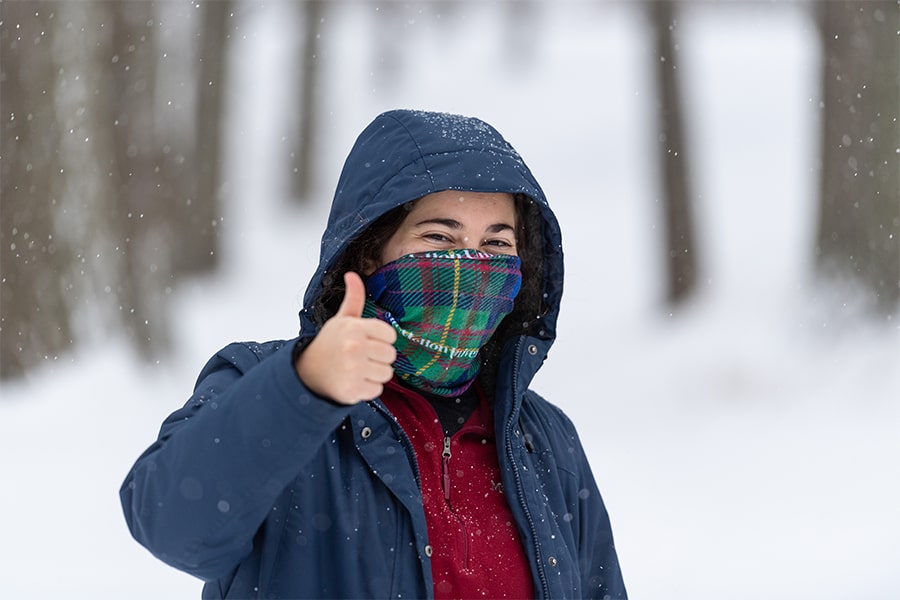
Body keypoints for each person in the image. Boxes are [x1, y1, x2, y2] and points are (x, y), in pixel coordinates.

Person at [120, 109, 627, 599]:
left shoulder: (544, 441)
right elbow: (170, 526)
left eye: (496, 244)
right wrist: (303, 390)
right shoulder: (264, 382)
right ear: (369, 250)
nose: (472, 262)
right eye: (439, 237)